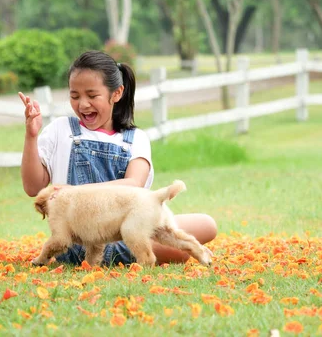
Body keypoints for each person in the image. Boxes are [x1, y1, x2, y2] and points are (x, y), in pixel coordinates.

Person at [19, 50, 217, 266]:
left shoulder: (135, 139)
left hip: (125, 232)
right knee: (174, 242)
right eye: (74, 96)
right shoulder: (61, 129)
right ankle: (167, 251)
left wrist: (74, 191)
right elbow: (32, 187)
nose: (83, 104)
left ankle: (167, 248)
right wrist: (31, 135)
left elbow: (134, 184)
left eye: (92, 96)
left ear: (117, 93)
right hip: (76, 241)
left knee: (207, 224)